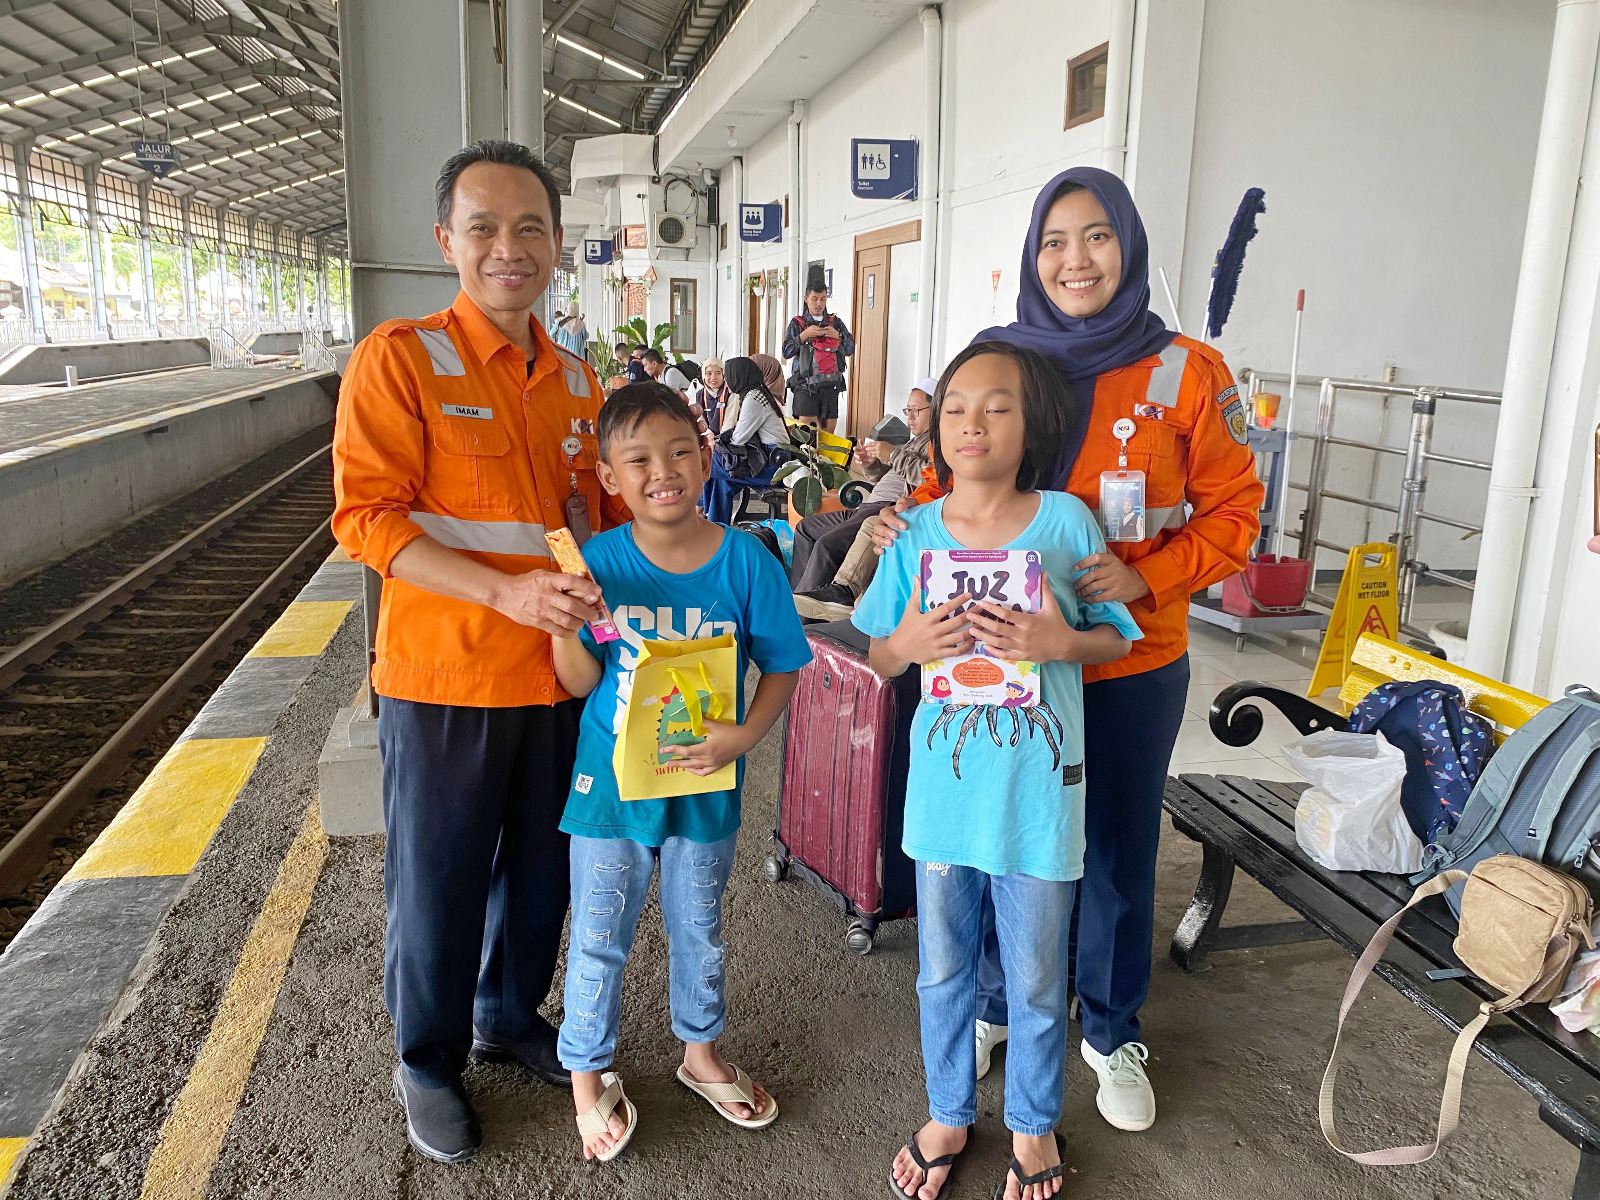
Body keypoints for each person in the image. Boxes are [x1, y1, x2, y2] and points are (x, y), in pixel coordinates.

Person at [874, 167, 1263, 1138]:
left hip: (1126, 662)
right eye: (1054, 240)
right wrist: (900, 524)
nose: (1073, 260)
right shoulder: (1005, 358)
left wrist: (1149, 576)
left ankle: (1112, 1028)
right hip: (998, 671)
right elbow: (955, 469)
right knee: (999, 839)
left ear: (1128, 246)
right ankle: (996, 1003)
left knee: (1116, 851)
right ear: (1031, 257)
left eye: (1095, 237)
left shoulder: (1186, 372)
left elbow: (1236, 515)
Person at [333, 139, 630, 1165]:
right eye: (485, 227)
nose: (510, 247)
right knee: (440, 881)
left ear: (558, 243)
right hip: (447, 677)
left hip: (559, 678)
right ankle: (427, 1058)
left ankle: (507, 1014)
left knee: (544, 874)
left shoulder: (580, 381)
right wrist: (505, 591)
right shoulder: (401, 360)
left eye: (530, 227)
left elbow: (599, 524)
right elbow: (367, 519)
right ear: (445, 241)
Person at [854, 341, 1141, 1200]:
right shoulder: (914, 532)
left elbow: (1117, 636)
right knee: (941, 970)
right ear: (935, 428)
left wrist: (1060, 642)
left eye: (996, 407)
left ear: (1032, 426)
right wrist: (909, 641)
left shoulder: (1067, 522)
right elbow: (879, 657)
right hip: (945, 801)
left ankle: (1033, 1123)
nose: (972, 423)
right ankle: (948, 1112)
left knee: (1038, 977)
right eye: (954, 409)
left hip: (1039, 802)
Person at [548, 383, 810, 1161]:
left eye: (678, 452)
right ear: (609, 477)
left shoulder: (747, 561)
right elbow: (579, 681)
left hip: (703, 783)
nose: (662, 472)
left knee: (700, 928)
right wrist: (565, 624)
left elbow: (784, 665)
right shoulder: (600, 563)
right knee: (599, 936)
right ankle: (586, 1075)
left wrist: (746, 737)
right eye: (638, 461)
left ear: (705, 457)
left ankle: (700, 1054)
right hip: (610, 790)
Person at [791, 378, 936, 600]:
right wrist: (870, 465)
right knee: (806, 528)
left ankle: (807, 610)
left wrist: (893, 454)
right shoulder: (914, 441)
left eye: (916, 410)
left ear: (935, 409)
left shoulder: (937, 440)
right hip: (868, 504)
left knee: (827, 545)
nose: (910, 416)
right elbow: (887, 479)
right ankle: (795, 595)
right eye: (907, 410)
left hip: (885, 508)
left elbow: (929, 476)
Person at [700, 356, 792, 525]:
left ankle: (701, 511)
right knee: (722, 481)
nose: (727, 381)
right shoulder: (756, 393)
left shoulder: (754, 399)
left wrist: (716, 444)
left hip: (772, 466)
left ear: (738, 376)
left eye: (728, 376)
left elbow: (738, 439)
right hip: (766, 458)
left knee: (706, 462)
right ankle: (715, 525)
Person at [783, 275, 854, 433]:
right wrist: (804, 336)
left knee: (828, 434)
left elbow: (850, 349)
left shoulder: (835, 322)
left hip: (831, 385)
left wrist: (838, 337)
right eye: (814, 299)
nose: (819, 304)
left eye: (823, 299)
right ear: (806, 298)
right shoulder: (797, 323)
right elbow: (786, 352)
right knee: (806, 434)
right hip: (805, 385)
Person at [696, 357, 730, 434]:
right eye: (709, 373)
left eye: (718, 373)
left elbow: (729, 422)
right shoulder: (700, 395)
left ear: (723, 375)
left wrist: (719, 439)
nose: (713, 377)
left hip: (726, 437)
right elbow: (700, 420)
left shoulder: (730, 392)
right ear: (703, 375)